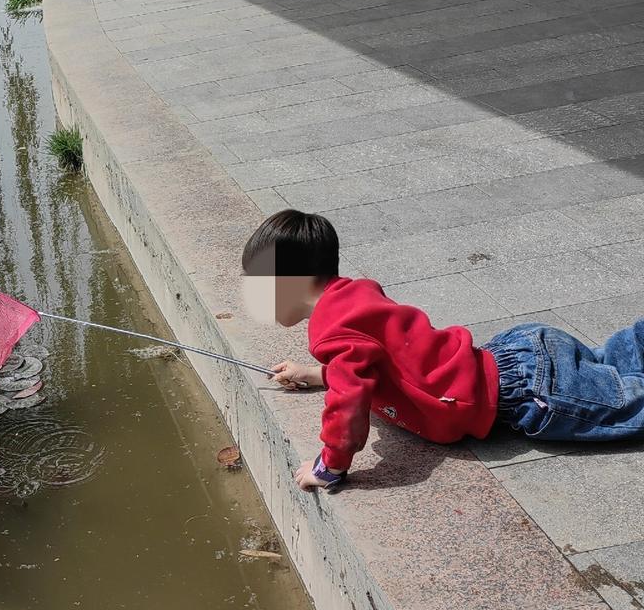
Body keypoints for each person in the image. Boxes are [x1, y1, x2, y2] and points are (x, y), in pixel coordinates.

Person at [241, 209, 644, 492]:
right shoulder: (352, 296)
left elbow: (349, 401)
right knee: (615, 363)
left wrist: (330, 465)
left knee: (630, 404)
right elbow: (376, 365)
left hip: (525, 393)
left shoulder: (331, 332)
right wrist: (315, 374)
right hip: (521, 351)